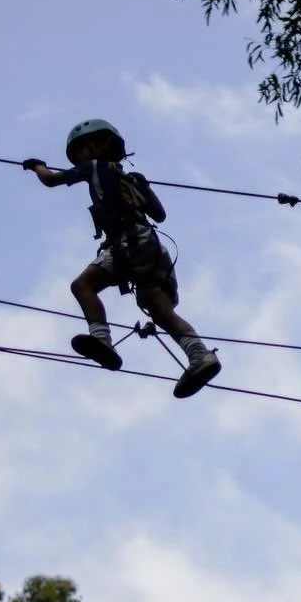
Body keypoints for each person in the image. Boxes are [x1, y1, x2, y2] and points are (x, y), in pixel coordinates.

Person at [23, 118, 222, 398]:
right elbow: (160, 215)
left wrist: (37, 166)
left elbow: (52, 180)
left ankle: (102, 340)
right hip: (152, 247)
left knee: (82, 286)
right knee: (161, 311)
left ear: (99, 144)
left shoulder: (93, 167)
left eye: (80, 150)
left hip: (127, 244)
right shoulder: (131, 179)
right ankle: (200, 356)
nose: (77, 158)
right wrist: (145, 188)